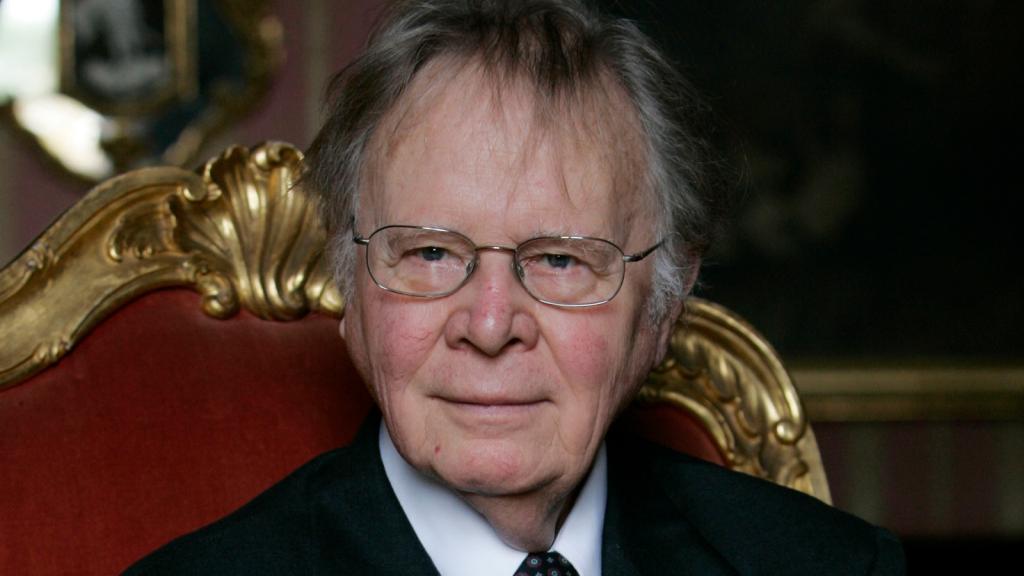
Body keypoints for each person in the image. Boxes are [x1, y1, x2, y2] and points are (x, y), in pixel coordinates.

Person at [125, 1, 904, 574]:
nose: (491, 324)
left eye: (561, 260)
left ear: (662, 305)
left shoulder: (827, 567)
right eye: (430, 252)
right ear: (349, 282)